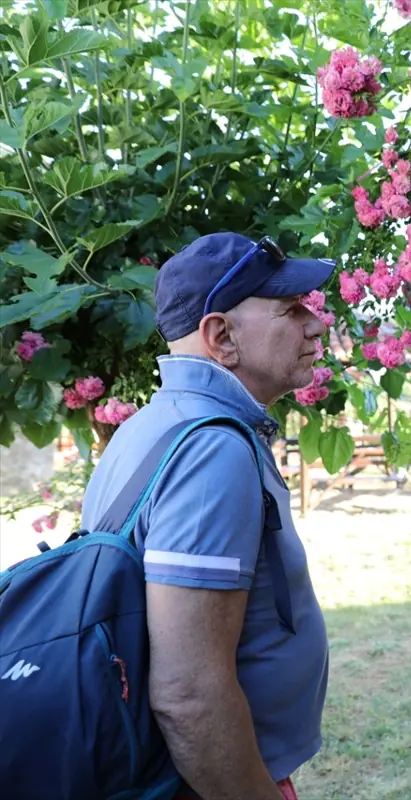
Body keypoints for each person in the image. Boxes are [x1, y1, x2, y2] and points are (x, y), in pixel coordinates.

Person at [80, 232, 335, 800]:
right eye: (291, 309)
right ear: (221, 337)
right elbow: (188, 694)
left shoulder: (152, 423)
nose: (316, 324)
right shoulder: (210, 450)